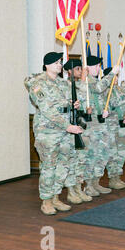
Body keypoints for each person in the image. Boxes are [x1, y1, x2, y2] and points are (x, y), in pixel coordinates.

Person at [24, 52, 84, 215]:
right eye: (57, 62)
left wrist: (73, 104)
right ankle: (47, 201)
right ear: (47, 65)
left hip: (64, 131)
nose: (60, 64)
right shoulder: (38, 83)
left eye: (60, 62)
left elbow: (63, 104)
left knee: (63, 165)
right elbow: (48, 109)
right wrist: (68, 126)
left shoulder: (63, 83)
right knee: (49, 167)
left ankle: (56, 197)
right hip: (47, 132)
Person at [78, 56, 119, 196]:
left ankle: (96, 182)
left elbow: (99, 100)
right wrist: (112, 73)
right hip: (91, 125)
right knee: (92, 155)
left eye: (99, 66)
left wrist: (104, 111)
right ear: (87, 68)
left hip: (101, 123)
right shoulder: (86, 81)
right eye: (96, 66)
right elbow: (99, 88)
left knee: (102, 154)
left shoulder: (95, 80)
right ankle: (88, 185)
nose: (98, 68)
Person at [63, 59, 93, 204]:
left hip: (81, 125)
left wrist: (87, 112)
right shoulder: (65, 85)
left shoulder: (81, 86)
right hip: (70, 128)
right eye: (77, 69)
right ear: (69, 71)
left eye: (81, 69)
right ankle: (70, 191)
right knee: (71, 160)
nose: (80, 71)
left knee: (81, 160)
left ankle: (78, 188)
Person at [102, 67, 125, 190]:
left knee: (121, 153)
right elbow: (113, 103)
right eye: (114, 76)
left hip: (120, 124)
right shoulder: (106, 90)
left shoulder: (117, 89)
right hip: (110, 126)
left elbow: (122, 105)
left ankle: (118, 177)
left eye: (117, 76)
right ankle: (113, 179)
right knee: (112, 154)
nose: (116, 79)